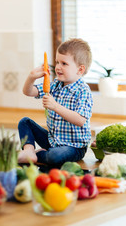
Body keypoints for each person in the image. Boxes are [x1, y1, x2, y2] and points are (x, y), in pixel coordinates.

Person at [18, 38, 93, 167]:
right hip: (52, 140)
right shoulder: (54, 85)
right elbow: (28, 92)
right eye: (57, 62)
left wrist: (55, 106)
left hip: (74, 147)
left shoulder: (83, 91)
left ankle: (39, 155)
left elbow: (80, 120)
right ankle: (29, 152)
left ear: (80, 70)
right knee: (24, 122)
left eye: (64, 63)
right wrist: (31, 77)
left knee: (54, 156)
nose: (58, 67)